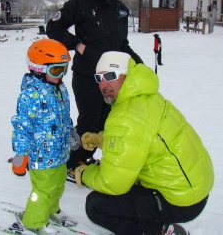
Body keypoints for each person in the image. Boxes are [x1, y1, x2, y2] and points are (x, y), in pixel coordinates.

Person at [74, 51, 214, 235]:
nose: (104, 84)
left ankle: (162, 232)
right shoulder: (145, 96)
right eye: (99, 77)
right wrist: (101, 139)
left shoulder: (126, 115)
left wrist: (85, 174)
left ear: (127, 75)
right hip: (194, 188)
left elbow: (113, 183)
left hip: (180, 200)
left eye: (110, 76)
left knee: (97, 205)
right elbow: (138, 137)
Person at [46, 0, 143, 177]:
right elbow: (54, 27)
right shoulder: (80, 4)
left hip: (111, 79)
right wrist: (78, 45)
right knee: (89, 123)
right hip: (87, 76)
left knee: (103, 125)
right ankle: (71, 163)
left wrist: (139, 65)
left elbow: (122, 45)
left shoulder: (121, 10)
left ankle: (82, 157)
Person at [10, 39, 78, 235]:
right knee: (43, 190)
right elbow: (22, 127)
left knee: (58, 185)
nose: (61, 76)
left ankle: (52, 209)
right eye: (56, 71)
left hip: (60, 153)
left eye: (64, 69)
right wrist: (20, 155)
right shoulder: (30, 95)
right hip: (41, 156)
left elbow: (64, 115)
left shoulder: (60, 88)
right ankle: (33, 221)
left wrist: (71, 133)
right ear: (38, 69)